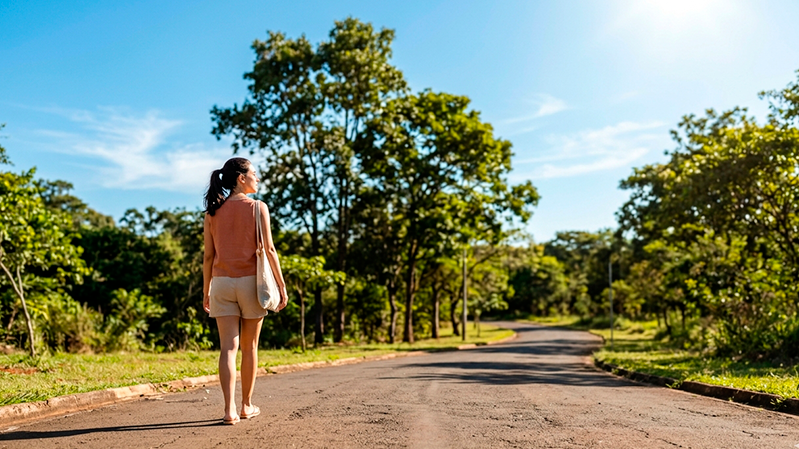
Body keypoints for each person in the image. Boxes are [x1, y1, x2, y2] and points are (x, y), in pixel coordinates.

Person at [202, 157, 288, 425]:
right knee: (249, 347)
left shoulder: (211, 212)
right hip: (251, 283)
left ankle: (228, 411)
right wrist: (281, 285)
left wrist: (206, 290)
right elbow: (271, 250)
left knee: (228, 347)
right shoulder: (258, 208)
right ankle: (246, 406)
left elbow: (207, 256)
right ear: (241, 178)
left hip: (222, 283)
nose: (257, 178)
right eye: (254, 174)